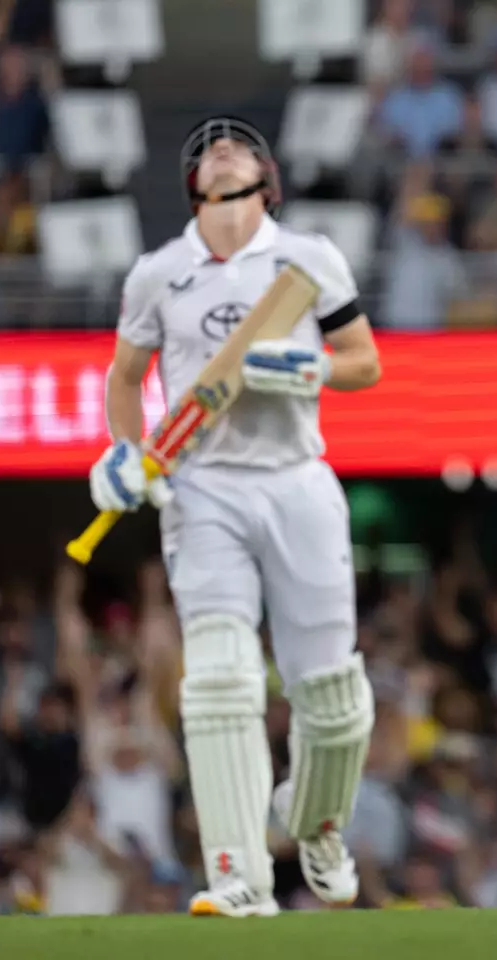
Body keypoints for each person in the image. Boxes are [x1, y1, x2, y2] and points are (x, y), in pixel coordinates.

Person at [86, 117, 383, 918]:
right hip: (201, 485)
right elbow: (124, 378)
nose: (220, 145)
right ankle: (238, 876)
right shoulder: (158, 273)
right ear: (193, 186)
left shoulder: (307, 257)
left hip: (296, 482)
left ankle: (317, 825)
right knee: (217, 678)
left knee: (331, 697)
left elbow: (366, 362)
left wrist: (311, 365)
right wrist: (123, 451)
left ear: (264, 178)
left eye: (238, 146)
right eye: (208, 148)